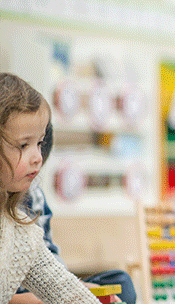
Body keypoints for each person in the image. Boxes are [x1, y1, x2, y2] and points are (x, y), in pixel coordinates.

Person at [0, 73, 102, 303]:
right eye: (23, 145)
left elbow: (64, 290)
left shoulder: (20, 233)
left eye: (39, 142)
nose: (38, 157)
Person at [12, 123, 135, 304]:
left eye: (39, 146)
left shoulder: (33, 195)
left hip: (39, 289)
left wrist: (75, 288)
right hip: (16, 295)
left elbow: (47, 264)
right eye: (24, 146)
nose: (37, 158)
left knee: (122, 284)